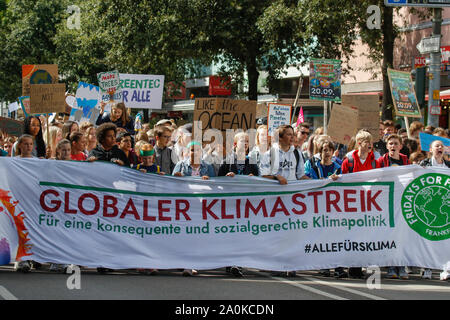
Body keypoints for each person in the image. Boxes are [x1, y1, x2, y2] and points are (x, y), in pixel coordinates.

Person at [340, 130, 380, 279]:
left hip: (368, 203)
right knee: (352, 235)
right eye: (366, 142)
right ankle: (351, 265)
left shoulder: (375, 161)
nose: (369, 145)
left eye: (370, 142)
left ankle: (358, 266)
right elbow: (343, 181)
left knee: (364, 236)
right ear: (359, 144)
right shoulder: (348, 161)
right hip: (352, 204)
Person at [376, 134, 410, 280]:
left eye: (396, 143)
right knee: (389, 234)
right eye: (390, 143)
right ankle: (391, 266)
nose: (393, 146)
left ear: (400, 146)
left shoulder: (405, 160)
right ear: (387, 145)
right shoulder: (381, 161)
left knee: (401, 234)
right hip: (386, 201)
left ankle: (401, 266)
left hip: (401, 200)